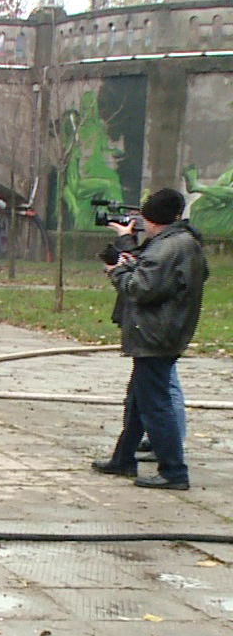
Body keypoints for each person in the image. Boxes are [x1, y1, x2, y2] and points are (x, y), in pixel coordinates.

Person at [91, 188, 207, 490]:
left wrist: (117, 270)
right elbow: (158, 278)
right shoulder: (183, 242)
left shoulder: (168, 248)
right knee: (138, 399)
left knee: (154, 404)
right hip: (164, 331)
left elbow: (140, 288)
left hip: (156, 335)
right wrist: (130, 254)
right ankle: (123, 457)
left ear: (150, 218)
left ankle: (174, 471)